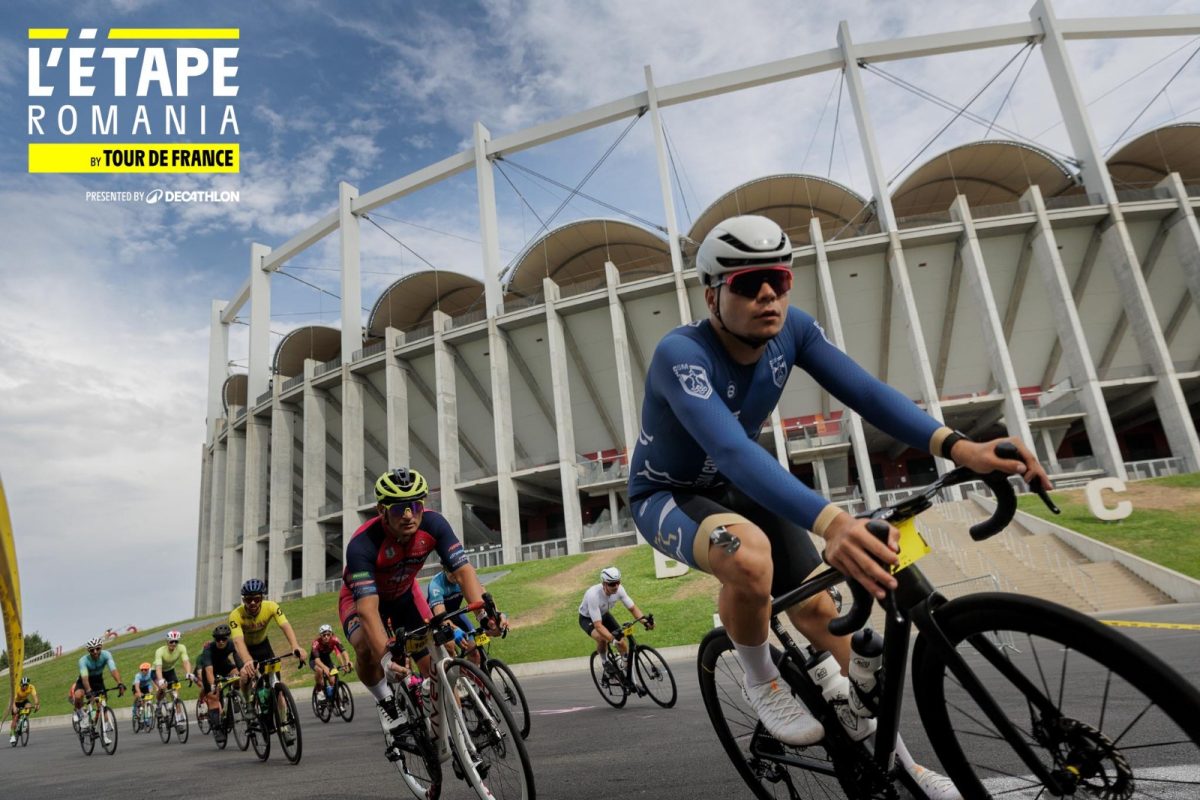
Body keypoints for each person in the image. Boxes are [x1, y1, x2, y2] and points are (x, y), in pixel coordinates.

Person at [627, 215, 1052, 800]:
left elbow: (867, 392)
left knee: (822, 611)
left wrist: (959, 446)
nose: (768, 294)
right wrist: (831, 522)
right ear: (712, 294)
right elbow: (724, 447)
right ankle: (761, 680)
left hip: (744, 479)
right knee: (749, 558)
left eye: (778, 278)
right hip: (668, 493)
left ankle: (899, 762)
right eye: (748, 284)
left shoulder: (792, 331)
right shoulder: (681, 352)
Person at [340, 467, 502, 755]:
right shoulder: (362, 544)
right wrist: (387, 657)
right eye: (400, 508)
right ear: (381, 510)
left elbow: (464, 572)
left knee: (436, 660)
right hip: (361, 600)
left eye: (415, 506)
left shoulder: (435, 525)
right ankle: (386, 702)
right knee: (366, 648)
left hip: (404, 594)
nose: (408, 515)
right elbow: (368, 610)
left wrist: (484, 614)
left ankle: (449, 733)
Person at [577, 567, 652, 673]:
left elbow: (632, 608)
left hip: (604, 615)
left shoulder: (619, 589)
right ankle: (605, 661)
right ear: (604, 584)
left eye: (617, 582)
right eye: (612, 584)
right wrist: (612, 639)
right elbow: (598, 625)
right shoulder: (593, 595)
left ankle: (628, 676)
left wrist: (645, 621)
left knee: (622, 642)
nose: (616, 586)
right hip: (587, 618)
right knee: (602, 638)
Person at [196, 623, 243, 747]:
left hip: (224, 665)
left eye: (223, 639)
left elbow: (238, 660)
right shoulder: (208, 649)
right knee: (213, 697)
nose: (221, 642)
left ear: (228, 638)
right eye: (218, 639)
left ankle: (236, 697)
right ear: (214, 639)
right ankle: (217, 729)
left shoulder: (232, 644)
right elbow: (209, 671)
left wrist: (242, 671)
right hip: (211, 669)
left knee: (238, 674)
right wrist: (212, 685)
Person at [72, 637, 124, 726]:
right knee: (78, 695)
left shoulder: (106, 655)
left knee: (102, 705)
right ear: (88, 651)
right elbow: (84, 678)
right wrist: (88, 691)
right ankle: (80, 712)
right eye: (92, 650)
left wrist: (120, 683)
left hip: (98, 680)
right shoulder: (83, 661)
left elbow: (113, 670)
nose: (95, 652)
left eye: (98, 648)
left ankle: (97, 723)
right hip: (84, 680)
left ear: (101, 647)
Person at [309, 623, 352, 700]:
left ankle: (333, 698)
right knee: (320, 670)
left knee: (332, 681)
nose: (326, 637)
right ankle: (319, 690)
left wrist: (347, 662)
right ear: (320, 635)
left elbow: (343, 652)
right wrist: (324, 667)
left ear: (331, 634)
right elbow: (317, 660)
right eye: (324, 635)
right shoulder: (316, 643)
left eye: (328, 634)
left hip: (326, 659)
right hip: (315, 660)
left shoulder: (335, 640)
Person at [153, 629, 196, 706]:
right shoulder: (160, 651)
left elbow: (186, 661)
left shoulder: (181, 648)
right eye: (171, 641)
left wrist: (189, 673)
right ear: (167, 642)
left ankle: (178, 715)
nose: (174, 644)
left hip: (170, 670)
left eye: (176, 641)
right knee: (162, 687)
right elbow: (158, 668)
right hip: (156, 671)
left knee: (175, 692)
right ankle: (158, 704)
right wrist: (160, 680)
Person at [8, 676, 39, 744]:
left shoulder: (31, 687)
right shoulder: (17, 688)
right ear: (20, 685)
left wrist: (37, 704)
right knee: (15, 718)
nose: (25, 687)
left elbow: (35, 696)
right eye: (23, 686)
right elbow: (12, 700)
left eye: (26, 685)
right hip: (15, 702)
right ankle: (12, 735)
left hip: (24, 701)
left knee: (29, 706)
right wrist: (14, 707)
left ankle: (25, 719)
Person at [131, 663, 156, 727]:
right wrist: (140, 694)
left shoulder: (150, 673)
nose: (143, 671)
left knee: (146, 701)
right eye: (142, 670)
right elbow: (137, 687)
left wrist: (152, 690)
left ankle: (145, 719)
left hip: (146, 686)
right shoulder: (138, 676)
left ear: (148, 669)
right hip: (137, 686)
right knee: (138, 696)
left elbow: (152, 682)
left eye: (145, 669)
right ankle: (134, 712)